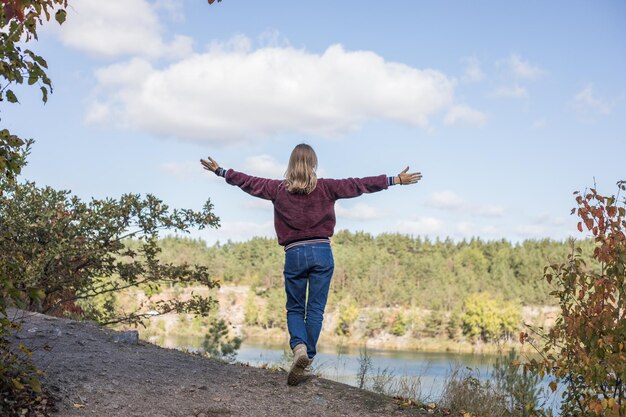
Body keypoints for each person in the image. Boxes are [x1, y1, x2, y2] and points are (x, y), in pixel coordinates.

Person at [201, 143, 421, 386]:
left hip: (294, 253)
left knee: (295, 309)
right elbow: (360, 184)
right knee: (315, 310)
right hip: (321, 252)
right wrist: (395, 179)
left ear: (290, 165)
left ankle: (299, 350)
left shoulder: (276, 189)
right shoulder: (327, 188)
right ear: (313, 164)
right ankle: (307, 359)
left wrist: (221, 172)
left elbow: (248, 182)